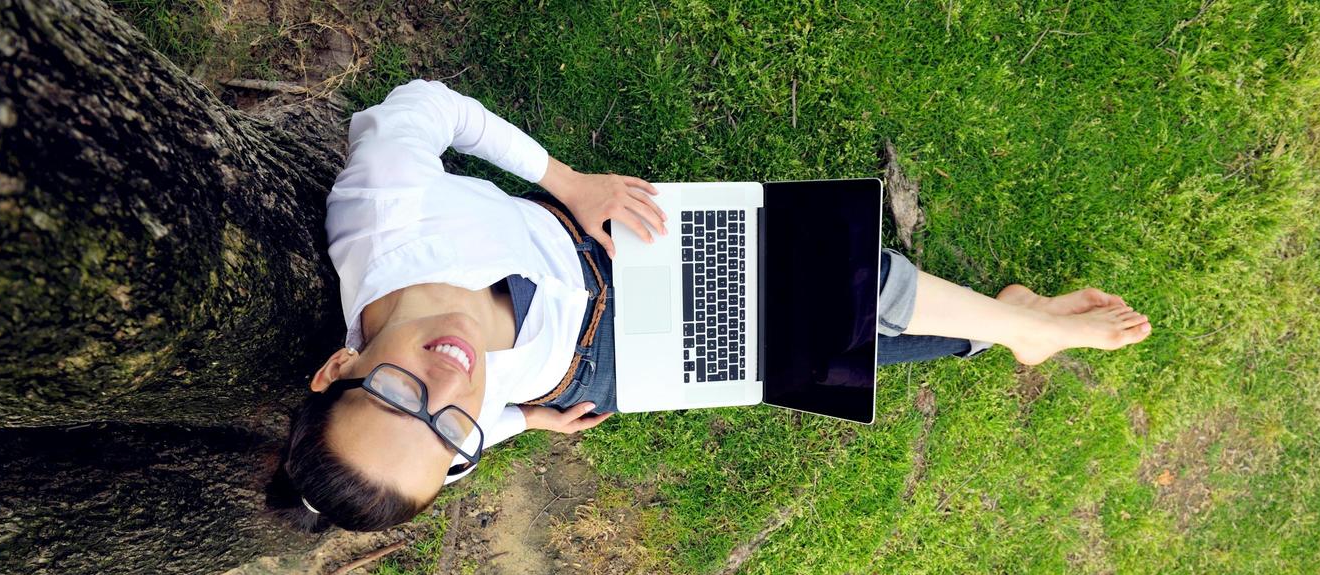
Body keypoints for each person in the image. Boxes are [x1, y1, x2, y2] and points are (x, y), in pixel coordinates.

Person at [265, 79, 1152, 533]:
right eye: (447, 436)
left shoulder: (383, 212)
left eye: (396, 395)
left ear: (340, 364)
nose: (447, 386)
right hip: (603, 366)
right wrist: (525, 422)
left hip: (610, 249)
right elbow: (465, 430)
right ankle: (1000, 333)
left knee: (835, 284)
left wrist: (565, 180)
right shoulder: (453, 433)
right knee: (833, 359)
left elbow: (421, 108)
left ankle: (1027, 329)